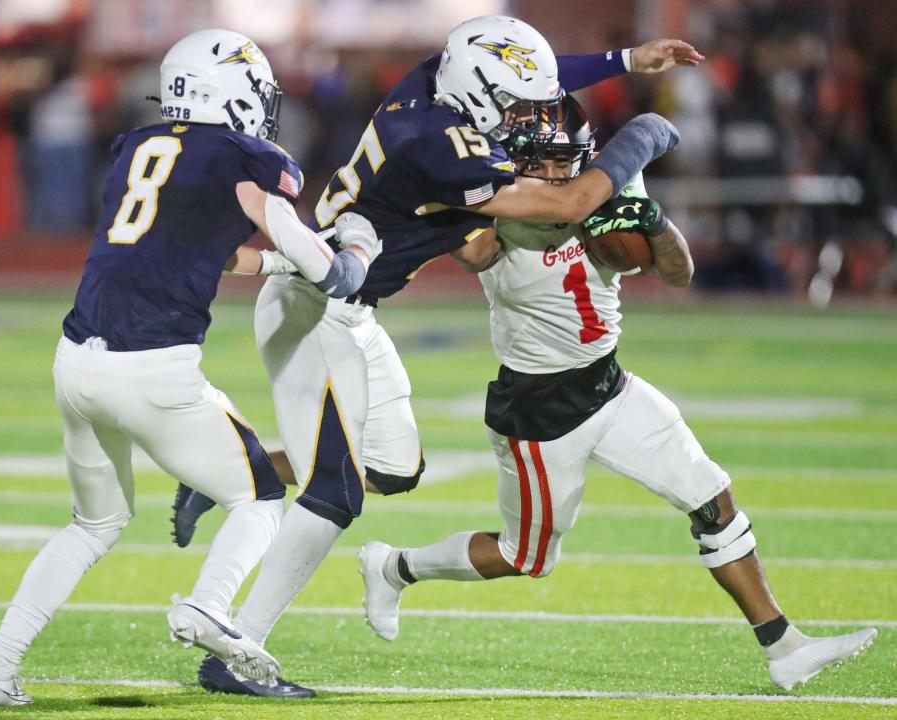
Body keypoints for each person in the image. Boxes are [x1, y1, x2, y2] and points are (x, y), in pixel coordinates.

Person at [173, 15, 697, 693]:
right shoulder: (436, 144)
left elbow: (535, 80)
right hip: (314, 305)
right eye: (512, 105)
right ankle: (234, 653)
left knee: (390, 469)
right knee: (334, 490)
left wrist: (626, 57)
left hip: (348, 307)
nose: (527, 117)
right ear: (478, 93)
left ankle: (237, 466)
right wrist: (641, 138)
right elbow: (570, 203)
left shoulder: (432, 84)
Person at [358, 95, 877, 692]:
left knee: (712, 496)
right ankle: (394, 566)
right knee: (526, 557)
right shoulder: (484, 204)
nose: (557, 175)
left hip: (610, 383)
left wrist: (650, 220)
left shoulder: (608, 183)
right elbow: (476, 251)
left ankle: (783, 645)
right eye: (542, 163)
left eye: (566, 162)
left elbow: (678, 273)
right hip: (539, 410)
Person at [0, 29, 381, 707]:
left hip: (76, 363)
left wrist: (282, 262)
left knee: (91, 526)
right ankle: (210, 607)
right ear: (229, 90)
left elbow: (195, 250)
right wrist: (344, 263)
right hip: (153, 371)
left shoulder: (133, 148)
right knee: (260, 497)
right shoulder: (244, 155)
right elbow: (297, 240)